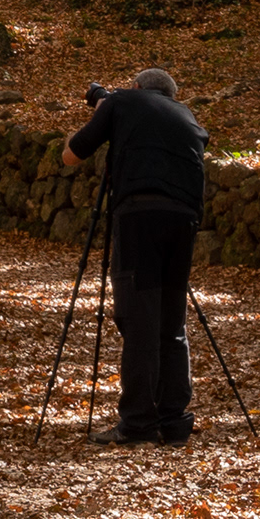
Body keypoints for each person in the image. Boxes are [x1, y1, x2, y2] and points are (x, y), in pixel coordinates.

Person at [63, 66, 207, 446]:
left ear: (138, 87)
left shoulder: (122, 102)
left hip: (140, 218)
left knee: (139, 318)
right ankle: (174, 420)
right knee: (171, 322)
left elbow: (71, 155)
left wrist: (104, 110)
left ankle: (138, 422)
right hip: (184, 220)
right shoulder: (187, 117)